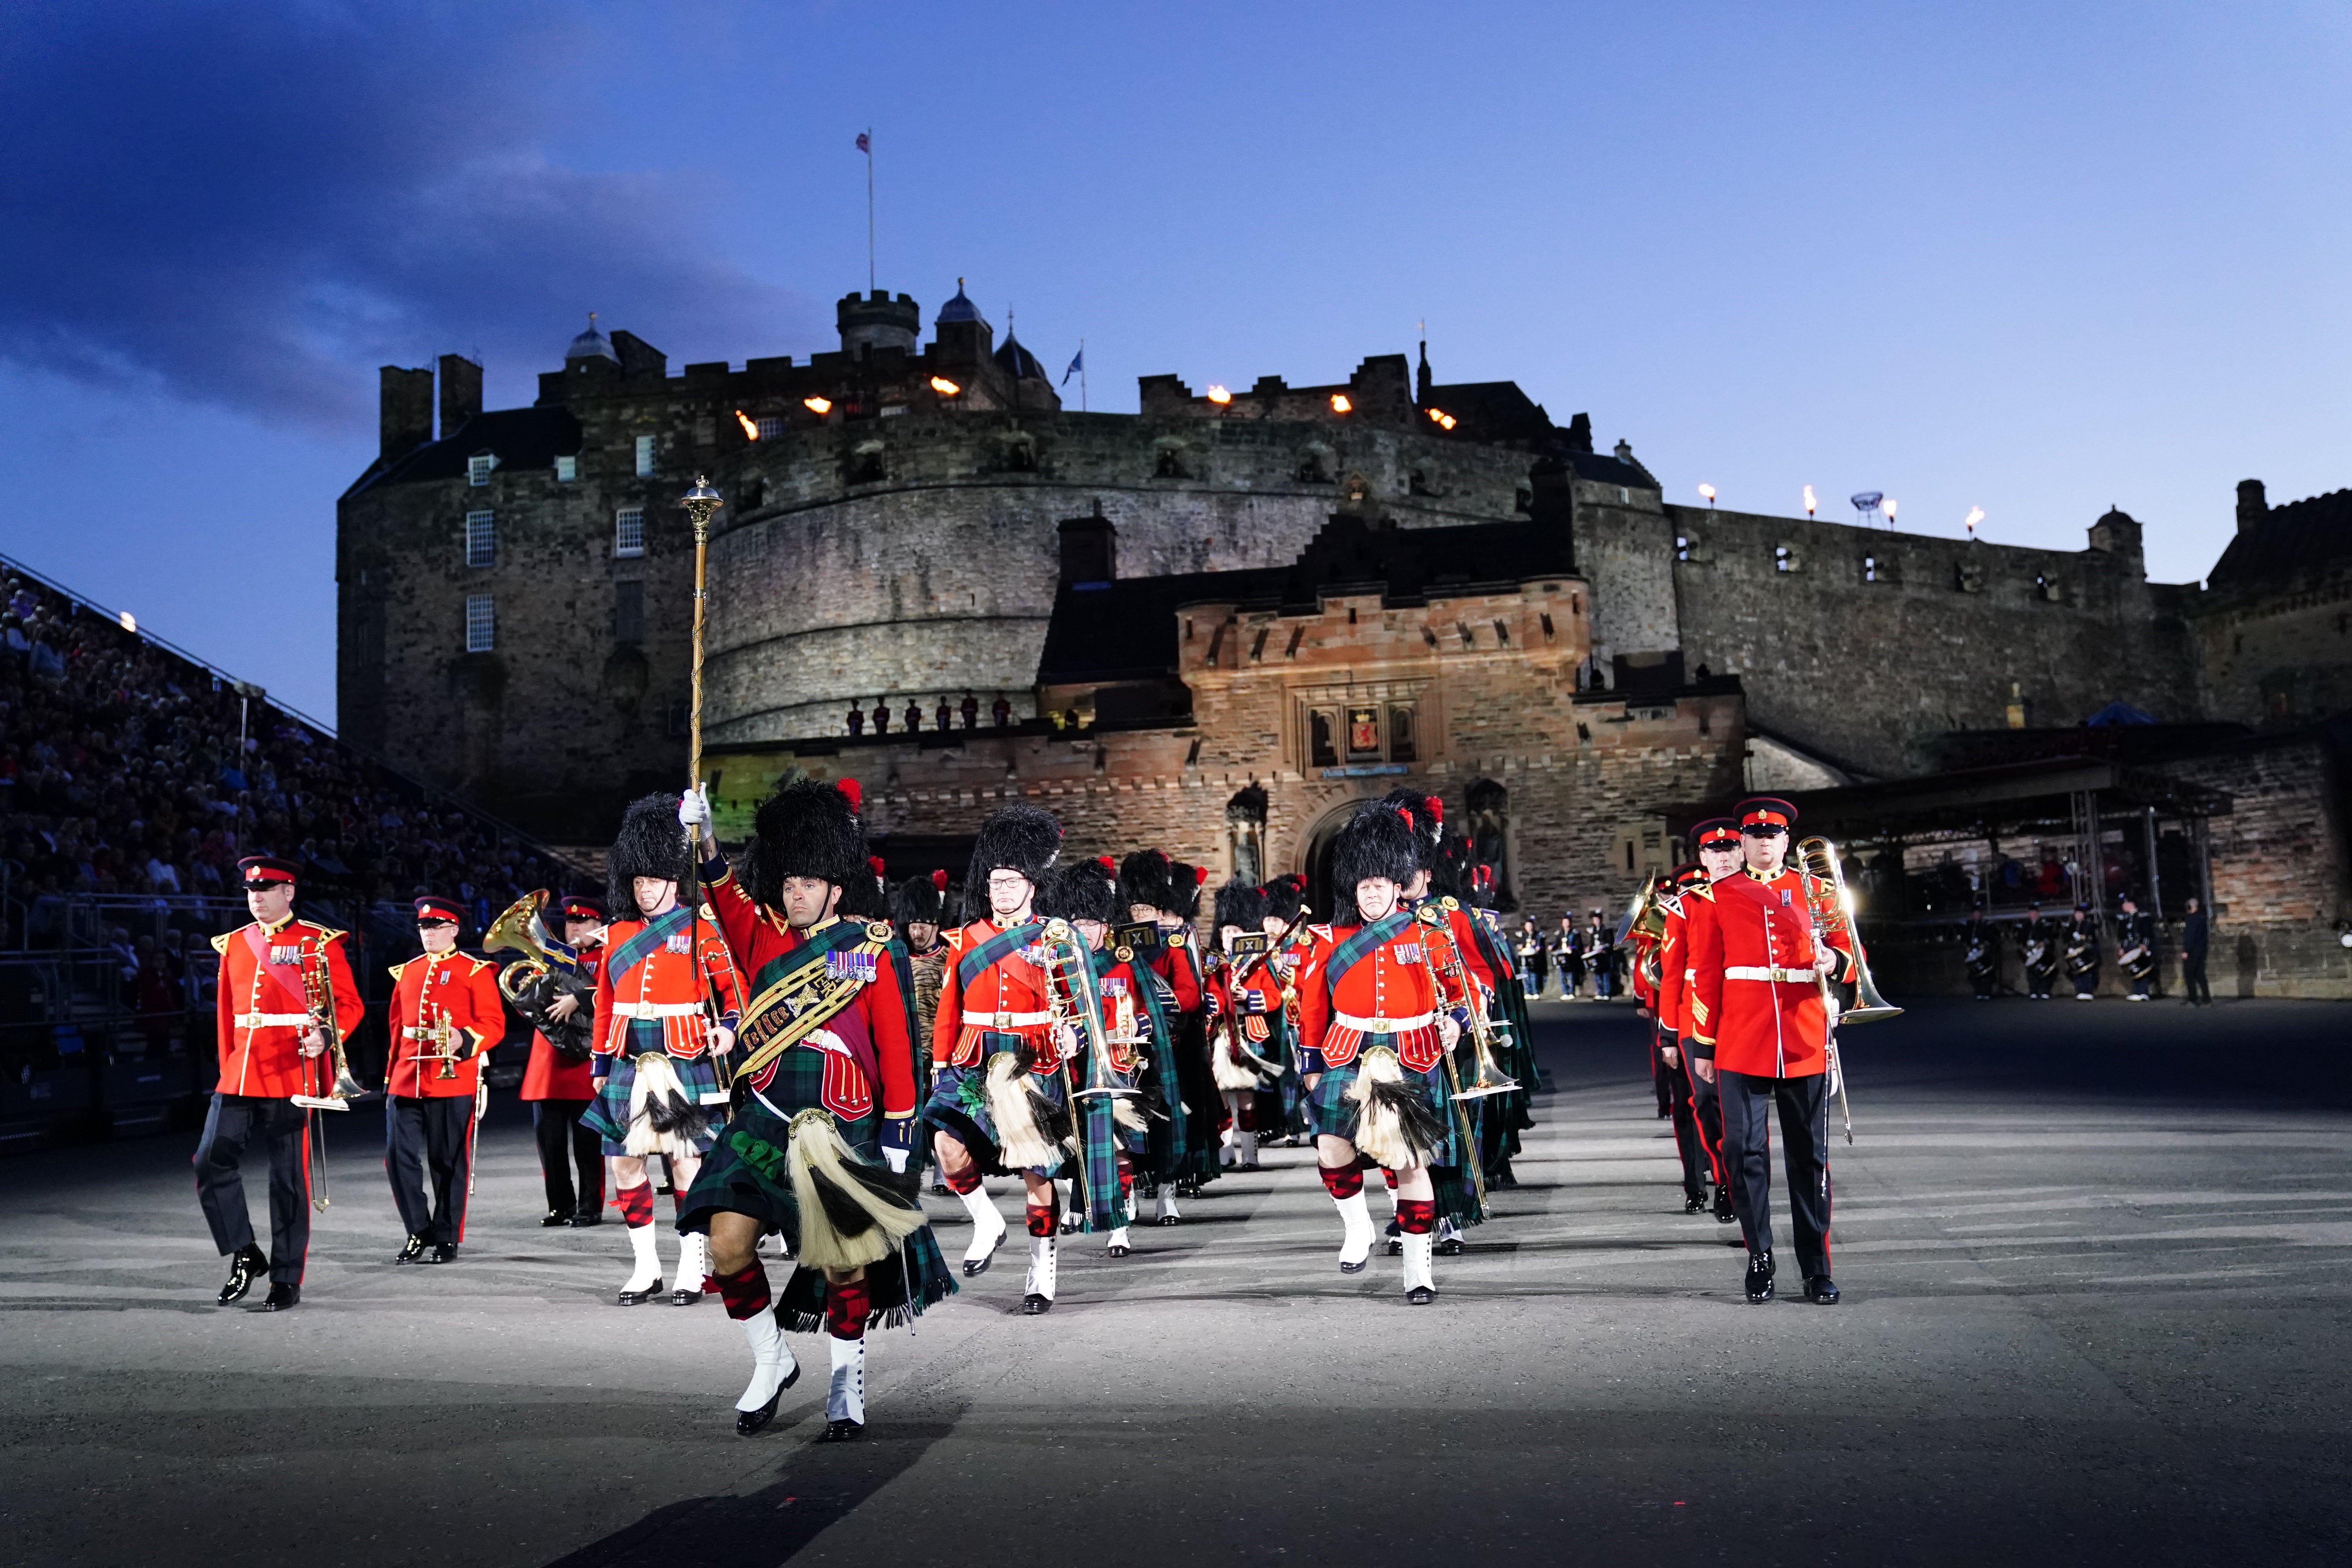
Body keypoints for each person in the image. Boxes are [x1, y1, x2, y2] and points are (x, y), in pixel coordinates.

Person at [678, 779, 951, 1442]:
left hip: (844, 1121)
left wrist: (897, 1136)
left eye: (807, 883)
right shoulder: (760, 938)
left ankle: (845, 1379)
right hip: (767, 1117)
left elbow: (894, 1044)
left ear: (834, 885)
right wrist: (705, 833)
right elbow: (720, 891)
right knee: (727, 1246)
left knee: (845, 1266)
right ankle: (772, 1358)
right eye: (788, 882)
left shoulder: (871, 944)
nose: (794, 894)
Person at [1292, 800, 1471, 1304]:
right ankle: (1358, 1228)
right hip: (1345, 1050)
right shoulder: (1329, 938)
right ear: (1355, 888)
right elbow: (1312, 1007)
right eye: (1363, 884)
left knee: (1411, 1164)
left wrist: (1456, 1023)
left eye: (1380, 884)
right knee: (1331, 1145)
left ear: (1398, 885)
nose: (1371, 892)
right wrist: (1309, 1063)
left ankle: (1419, 1272)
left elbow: (1462, 991)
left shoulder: (1430, 930)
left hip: (1411, 1051)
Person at [1684, 797, 1857, 1306]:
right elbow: (1707, 975)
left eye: (1773, 835)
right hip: (1739, 1038)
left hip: (1802, 1035)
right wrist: (1703, 1044)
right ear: (1743, 842)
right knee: (1743, 1153)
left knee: (1810, 1158)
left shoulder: (1819, 892)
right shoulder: (1717, 897)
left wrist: (1836, 959)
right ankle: (1760, 1255)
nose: (1764, 842)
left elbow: (1853, 956)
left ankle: (1816, 1267)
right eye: (1755, 835)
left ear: (1785, 842)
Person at [582, 795, 747, 1307]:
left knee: (684, 1165)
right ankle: (645, 1268)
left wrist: (731, 1028)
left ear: (674, 881)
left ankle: (691, 1267)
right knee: (625, 1165)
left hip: (683, 1059)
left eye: (653, 881)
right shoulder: (619, 935)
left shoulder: (700, 927)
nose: (645, 890)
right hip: (630, 1062)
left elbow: (733, 987)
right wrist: (601, 1064)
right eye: (638, 882)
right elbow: (606, 1004)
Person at [921, 804, 1073, 1312]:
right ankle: (985, 1219)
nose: (1002, 891)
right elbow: (949, 1008)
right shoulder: (966, 940)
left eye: (1011, 882)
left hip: (1033, 1058)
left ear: (1031, 885)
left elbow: (1074, 1001)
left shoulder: (1055, 936)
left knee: (1037, 1171)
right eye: (995, 883)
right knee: (946, 1145)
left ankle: (1041, 1267)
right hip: (973, 1055)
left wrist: (1072, 1032)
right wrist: (940, 1063)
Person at [195, 855, 364, 1312]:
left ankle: (286, 1279)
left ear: (289, 893)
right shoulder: (234, 943)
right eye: (252, 891)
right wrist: (228, 1063)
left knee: (288, 1179)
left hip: (292, 1069)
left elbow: (348, 1004)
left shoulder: (317, 942)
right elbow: (226, 1015)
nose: (257, 897)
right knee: (210, 1159)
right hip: (242, 1068)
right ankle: (245, 1253)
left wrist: (326, 1036)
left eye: (267, 890)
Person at [381, 895, 505, 1264]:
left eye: (436, 927)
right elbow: (396, 1027)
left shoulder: (473, 970)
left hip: (453, 1076)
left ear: (453, 930)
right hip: (408, 1074)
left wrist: (464, 1039)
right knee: (397, 1157)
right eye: (423, 927)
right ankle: (418, 1230)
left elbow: (494, 1024)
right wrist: (390, 1074)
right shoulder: (408, 970)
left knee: (447, 1160)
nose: (429, 934)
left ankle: (447, 1235)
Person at [520, 894, 608, 1227]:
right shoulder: (553, 956)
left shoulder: (607, 954)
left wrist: (580, 998)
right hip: (548, 1064)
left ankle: (590, 1206)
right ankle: (560, 1205)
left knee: (588, 1143)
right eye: (570, 921)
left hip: (585, 1061)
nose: (574, 926)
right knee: (550, 1143)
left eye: (582, 921)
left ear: (599, 925)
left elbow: (616, 990)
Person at [1675, 817, 1746, 1229]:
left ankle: (1743, 1188)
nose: (1722, 856)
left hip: (1744, 1015)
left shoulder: (1762, 895)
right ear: (1702, 858)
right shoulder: (1689, 903)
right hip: (1695, 1017)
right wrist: (1670, 1029)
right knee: (1705, 1101)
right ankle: (1723, 1177)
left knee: (1745, 1113)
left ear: (1741, 851)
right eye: (1713, 851)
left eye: (1729, 848)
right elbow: (1675, 972)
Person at [1646, 862, 1715, 1213]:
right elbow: (1671, 978)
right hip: (1686, 1021)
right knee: (1688, 1108)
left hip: (1724, 1021)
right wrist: (1668, 1037)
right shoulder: (1678, 914)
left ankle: (1727, 1182)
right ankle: (1695, 1184)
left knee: (1723, 1110)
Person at [1205, 880, 1275, 1171]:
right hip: (1220, 1034)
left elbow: (1273, 997)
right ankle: (1225, 1153)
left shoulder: (1256, 963)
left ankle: (1250, 1154)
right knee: (1220, 1097)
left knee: (1246, 1096)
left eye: (1236, 932)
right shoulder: (1211, 962)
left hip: (1246, 1033)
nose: (1231, 936)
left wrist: (1249, 996)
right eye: (1227, 931)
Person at [2116, 896, 2156, 1001]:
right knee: (2133, 969)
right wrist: (2122, 948)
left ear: (2131, 904)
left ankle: (2143, 992)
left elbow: (2148, 932)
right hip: (2129, 946)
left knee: (2141, 968)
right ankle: (2137, 991)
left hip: (2139, 946)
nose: (2123, 906)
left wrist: (2145, 945)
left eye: (2125, 904)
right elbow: (2122, 935)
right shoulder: (2124, 918)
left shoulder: (2143, 916)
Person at [2021, 902, 2059, 1000]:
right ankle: (2033, 991)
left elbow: (2050, 937)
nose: (2033, 915)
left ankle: (2045, 991)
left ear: (2038, 914)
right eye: (2031, 913)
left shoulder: (2045, 924)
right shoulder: (2026, 925)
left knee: (2044, 971)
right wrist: (2024, 948)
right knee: (2031, 972)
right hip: (2030, 952)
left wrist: (2043, 944)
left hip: (2043, 953)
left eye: (2034, 913)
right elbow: (2021, 939)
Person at [2065, 907, 2101, 1001]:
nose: (2079, 916)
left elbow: (2093, 939)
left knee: (2087, 972)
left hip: (2087, 952)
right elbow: (2067, 939)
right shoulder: (2071, 926)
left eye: (2080, 914)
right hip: (2075, 952)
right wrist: (2070, 947)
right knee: (2077, 971)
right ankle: (2080, 991)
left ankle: (2088, 992)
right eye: (2077, 914)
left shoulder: (2089, 925)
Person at [2181, 896, 2212, 1005]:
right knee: (2200, 975)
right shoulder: (2202, 919)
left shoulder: (2192, 919)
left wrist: (2186, 950)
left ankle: (2193, 998)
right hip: (2201, 951)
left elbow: (2190, 936)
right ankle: (2206, 999)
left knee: (2189, 975)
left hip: (2193, 951)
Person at [1964, 909, 2000, 1000]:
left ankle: (1987, 993)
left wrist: (1985, 946)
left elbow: (1993, 938)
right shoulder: (1969, 926)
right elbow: (1965, 939)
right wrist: (1968, 947)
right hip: (1973, 953)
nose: (1976, 915)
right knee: (1975, 973)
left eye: (1978, 913)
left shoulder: (1987, 925)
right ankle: (1978, 992)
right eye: (1974, 914)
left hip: (1984, 954)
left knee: (1986, 973)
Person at [1587, 909, 1616, 998]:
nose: (1595, 921)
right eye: (1594, 920)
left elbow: (1610, 943)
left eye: (1597, 919)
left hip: (1604, 955)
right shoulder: (1594, 931)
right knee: (1597, 973)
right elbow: (1592, 942)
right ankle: (1600, 992)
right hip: (1596, 955)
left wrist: (1603, 948)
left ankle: (1607, 993)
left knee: (1605, 974)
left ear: (1600, 920)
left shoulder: (1606, 930)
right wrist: (1589, 948)